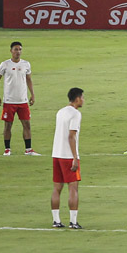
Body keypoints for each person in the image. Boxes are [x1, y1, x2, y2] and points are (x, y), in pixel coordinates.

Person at [0, 41, 39, 156]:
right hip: (9, 101)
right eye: (16, 49)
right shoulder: (5, 64)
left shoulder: (26, 64)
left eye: (20, 49)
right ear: (11, 51)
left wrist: (32, 94)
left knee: (27, 125)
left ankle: (28, 150)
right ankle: (7, 149)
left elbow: (29, 79)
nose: (18, 52)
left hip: (23, 101)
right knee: (8, 125)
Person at [51, 87, 84, 229]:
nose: (83, 100)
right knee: (73, 188)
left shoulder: (60, 111)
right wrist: (75, 158)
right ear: (77, 99)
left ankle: (56, 220)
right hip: (67, 156)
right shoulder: (75, 114)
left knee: (57, 188)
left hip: (56, 154)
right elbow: (71, 136)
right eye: (82, 97)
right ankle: (73, 222)